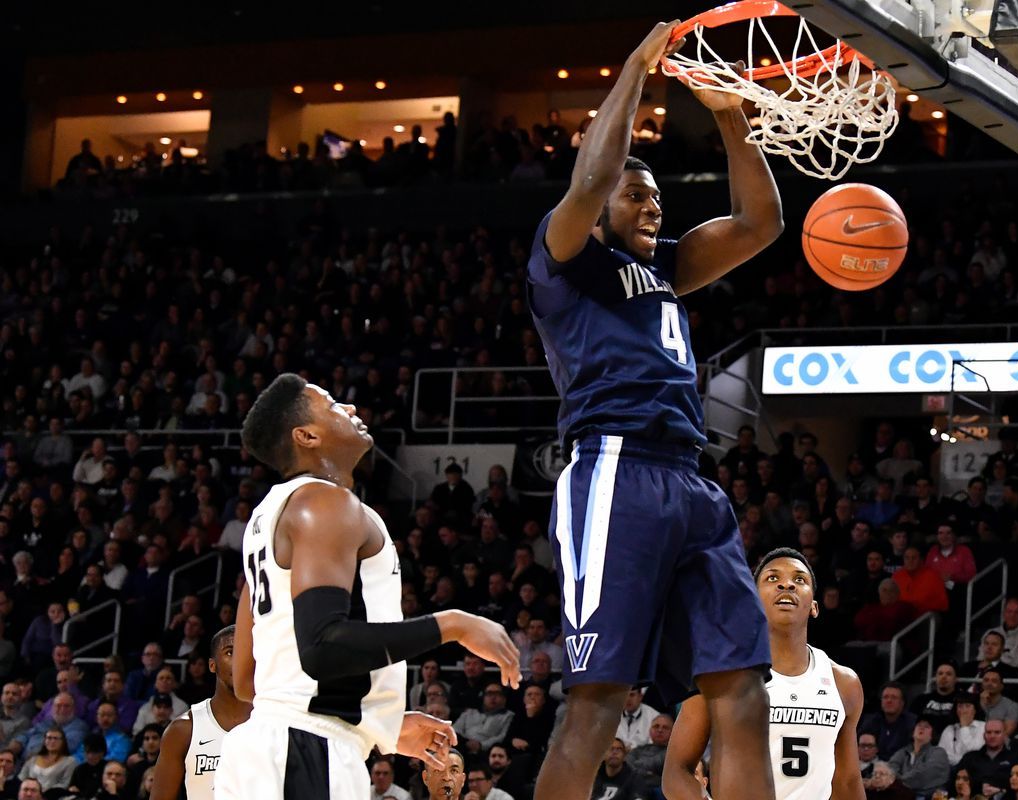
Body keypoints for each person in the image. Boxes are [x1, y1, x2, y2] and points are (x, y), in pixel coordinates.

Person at [527, 20, 784, 800]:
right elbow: (591, 176)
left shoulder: (667, 267)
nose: (649, 206)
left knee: (742, 690)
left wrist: (732, 114)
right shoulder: (564, 261)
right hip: (615, 470)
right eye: (637, 196)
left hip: (693, 480)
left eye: (657, 198)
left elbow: (761, 222)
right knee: (598, 701)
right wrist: (639, 68)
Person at [213, 376, 519, 799]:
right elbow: (323, 645)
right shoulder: (324, 503)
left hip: (268, 749)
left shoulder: (266, 520)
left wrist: (376, 724)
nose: (352, 409)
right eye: (333, 404)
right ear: (307, 435)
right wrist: (453, 625)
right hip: (305, 752)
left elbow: (249, 681)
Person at [663, 548, 866, 799]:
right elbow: (676, 772)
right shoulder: (719, 677)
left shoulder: (844, 683)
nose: (787, 584)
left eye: (799, 579)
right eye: (773, 578)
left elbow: (847, 781)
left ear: (814, 606)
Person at [150, 626, 249, 800]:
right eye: (230, 652)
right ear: (212, 665)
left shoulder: (276, 724)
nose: (239, 659)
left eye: (246, 651)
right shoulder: (184, 729)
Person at [886, 718, 949, 797]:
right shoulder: (903, 752)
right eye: (919, 725)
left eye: (926, 727)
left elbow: (923, 775)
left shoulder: (939, 753)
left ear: (932, 735)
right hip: (902, 794)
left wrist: (898, 782)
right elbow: (889, 769)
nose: (921, 728)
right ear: (913, 732)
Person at [17, 725, 76, 795]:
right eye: (49, 738)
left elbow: (65, 784)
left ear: (63, 741)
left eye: (56, 738)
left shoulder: (70, 761)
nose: (52, 741)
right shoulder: (33, 759)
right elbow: (21, 778)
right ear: (44, 740)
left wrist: (42, 794)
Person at [937, 694, 986, 768]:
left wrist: (964, 727)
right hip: (950, 769)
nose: (964, 710)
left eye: (968, 706)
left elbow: (974, 752)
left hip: (975, 768)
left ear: (975, 710)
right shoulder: (949, 729)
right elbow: (941, 754)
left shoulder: (983, 727)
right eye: (960, 706)